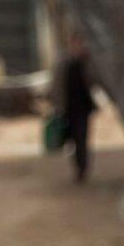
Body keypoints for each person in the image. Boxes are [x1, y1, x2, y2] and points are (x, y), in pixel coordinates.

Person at [53, 33, 96, 183]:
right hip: (68, 109)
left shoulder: (86, 63)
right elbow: (57, 86)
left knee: (82, 140)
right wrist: (57, 106)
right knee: (72, 142)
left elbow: (94, 81)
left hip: (83, 109)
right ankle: (78, 167)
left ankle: (82, 170)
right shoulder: (63, 63)